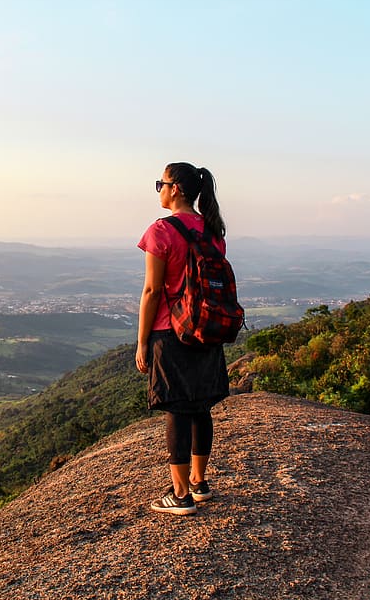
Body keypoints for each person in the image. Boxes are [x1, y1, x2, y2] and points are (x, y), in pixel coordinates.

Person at [136, 161, 230, 515]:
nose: (158, 188)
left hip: (170, 331)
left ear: (175, 189)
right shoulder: (213, 230)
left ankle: (179, 495)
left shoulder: (161, 230)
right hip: (206, 329)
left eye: (161, 183)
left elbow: (152, 290)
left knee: (177, 409)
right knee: (200, 406)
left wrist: (142, 340)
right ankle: (199, 482)